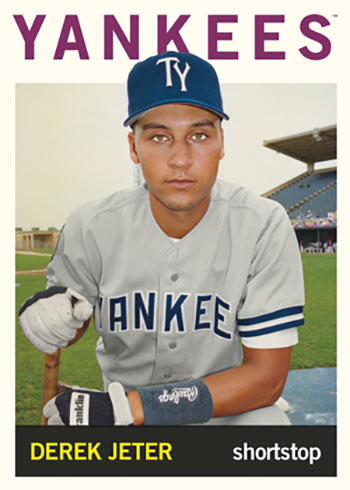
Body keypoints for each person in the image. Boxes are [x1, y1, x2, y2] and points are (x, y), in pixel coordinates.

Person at [19, 51, 305, 427]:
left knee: (268, 426)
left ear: (222, 142)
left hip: (221, 407)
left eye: (199, 135)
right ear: (134, 147)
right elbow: (70, 323)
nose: (181, 158)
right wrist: (52, 318)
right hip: (121, 415)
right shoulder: (91, 225)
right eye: (159, 137)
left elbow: (266, 379)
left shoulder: (263, 223)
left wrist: (133, 407)